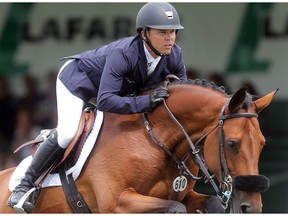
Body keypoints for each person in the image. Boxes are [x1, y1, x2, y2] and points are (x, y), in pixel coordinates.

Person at [7, 2, 187, 212]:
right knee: (67, 132)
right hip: (78, 81)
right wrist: (147, 102)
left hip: (114, 90)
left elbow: (179, 94)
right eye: (162, 32)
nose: (170, 38)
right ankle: (24, 186)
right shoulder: (124, 54)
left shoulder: (174, 54)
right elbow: (106, 101)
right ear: (144, 34)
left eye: (173, 32)